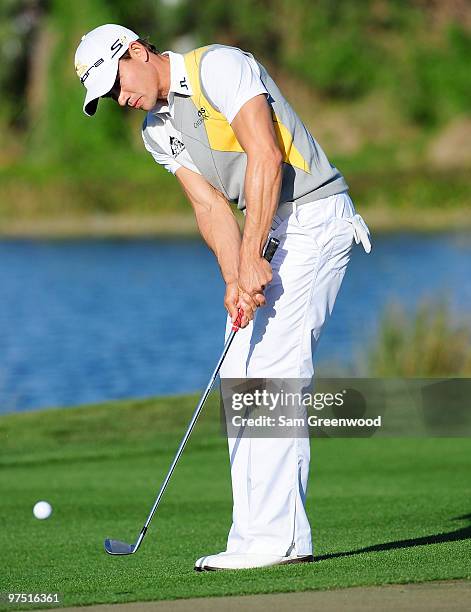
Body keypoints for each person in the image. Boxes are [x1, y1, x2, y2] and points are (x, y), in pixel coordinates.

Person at [75, 24, 371, 571]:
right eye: (109, 96)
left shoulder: (220, 67)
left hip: (315, 217)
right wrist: (235, 278)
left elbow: (265, 156)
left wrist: (254, 252)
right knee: (239, 370)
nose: (120, 98)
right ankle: (251, 533)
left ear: (137, 51)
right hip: (273, 232)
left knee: (275, 372)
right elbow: (210, 208)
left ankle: (277, 539)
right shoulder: (155, 130)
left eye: (116, 83)